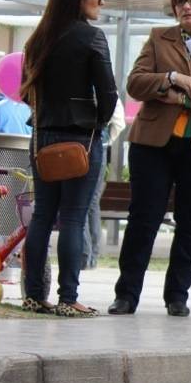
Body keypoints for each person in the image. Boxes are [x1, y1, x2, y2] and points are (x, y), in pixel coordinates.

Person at [108, 0, 191, 316]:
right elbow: (135, 84)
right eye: (181, 2)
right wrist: (171, 80)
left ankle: (177, 295)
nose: (187, 7)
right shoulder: (157, 38)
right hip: (153, 143)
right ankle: (127, 294)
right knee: (143, 218)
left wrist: (186, 103)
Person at [19, 0, 118, 316]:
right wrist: (98, 122)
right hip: (82, 139)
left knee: (43, 215)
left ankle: (33, 295)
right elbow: (109, 94)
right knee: (74, 218)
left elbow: (24, 92)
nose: (100, 3)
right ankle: (67, 298)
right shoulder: (91, 37)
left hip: (43, 137)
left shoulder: (37, 39)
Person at [83, 98, 125, 270]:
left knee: (80, 204)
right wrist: (108, 141)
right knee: (91, 203)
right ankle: (91, 256)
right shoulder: (107, 88)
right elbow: (119, 122)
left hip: (81, 146)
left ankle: (86, 255)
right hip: (99, 146)